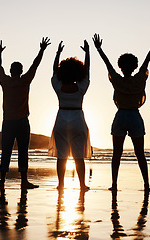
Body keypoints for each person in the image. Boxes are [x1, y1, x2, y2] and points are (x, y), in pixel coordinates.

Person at [92, 31, 150, 191]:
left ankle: (114, 184)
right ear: (135, 66)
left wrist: (99, 49)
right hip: (135, 116)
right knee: (140, 154)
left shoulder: (117, 80)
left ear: (121, 66)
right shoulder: (139, 80)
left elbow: (108, 65)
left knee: (117, 153)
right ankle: (146, 185)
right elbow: (147, 61)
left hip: (121, 115)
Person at [0, 37, 51, 189]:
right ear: (20, 71)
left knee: (6, 151)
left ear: (11, 71)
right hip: (22, 122)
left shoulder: (5, 81)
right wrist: (42, 50)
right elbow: (35, 65)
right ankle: (24, 181)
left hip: (8, 121)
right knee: (23, 152)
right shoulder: (25, 80)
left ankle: (2, 181)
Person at [48, 40, 91, 191]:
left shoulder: (58, 87)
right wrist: (87, 53)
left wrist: (57, 54)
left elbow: (54, 72)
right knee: (78, 156)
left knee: (62, 155)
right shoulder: (81, 88)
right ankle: (82, 185)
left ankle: (61, 184)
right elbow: (87, 72)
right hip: (77, 118)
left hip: (61, 119)